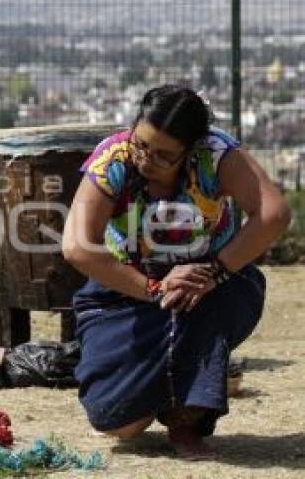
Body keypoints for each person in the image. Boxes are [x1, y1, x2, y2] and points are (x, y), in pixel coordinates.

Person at [61, 84, 292, 459]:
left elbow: (273, 214)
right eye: (141, 143)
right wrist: (153, 288)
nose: (146, 159)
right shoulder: (114, 160)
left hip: (209, 287)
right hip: (126, 292)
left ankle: (186, 418)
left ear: (190, 150)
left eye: (164, 155)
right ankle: (169, 387)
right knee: (117, 420)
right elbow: (76, 246)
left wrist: (214, 271)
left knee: (196, 304)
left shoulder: (215, 155)